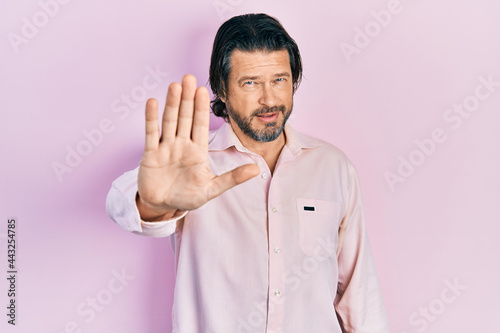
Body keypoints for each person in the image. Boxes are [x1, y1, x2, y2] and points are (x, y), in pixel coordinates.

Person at [106, 13, 389, 332]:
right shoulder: (192, 164)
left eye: (279, 80)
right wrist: (154, 204)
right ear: (222, 90)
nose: (269, 99)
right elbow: (123, 204)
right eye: (250, 83)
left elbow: (359, 295)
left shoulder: (333, 166)